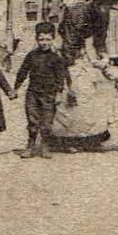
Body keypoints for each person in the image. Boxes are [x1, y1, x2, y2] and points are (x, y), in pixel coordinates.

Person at [15, 21, 72, 159]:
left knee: (47, 122)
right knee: (32, 120)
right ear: (36, 39)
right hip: (33, 93)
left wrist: (59, 93)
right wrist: (15, 87)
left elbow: (61, 77)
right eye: (41, 39)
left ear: (53, 39)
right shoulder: (32, 56)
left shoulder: (56, 58)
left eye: (48, 39)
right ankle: (31, 146)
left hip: (49, 94)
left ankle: (45, 146)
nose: (44, 42)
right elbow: (23, 71)